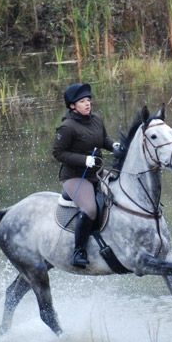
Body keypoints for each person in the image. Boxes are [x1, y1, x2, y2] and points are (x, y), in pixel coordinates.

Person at [52, 83, 117, 268]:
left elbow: (103, 139)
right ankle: (78, 251)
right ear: (73, 106)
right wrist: (83, 160)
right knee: (89, 209)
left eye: (88, 100)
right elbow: (57, 153)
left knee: (121, 189)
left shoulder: (95, 119)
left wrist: (114, 145)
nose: (87, 103)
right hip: (75, 176)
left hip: (97, 172)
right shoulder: (67, 127)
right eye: (82, 101)